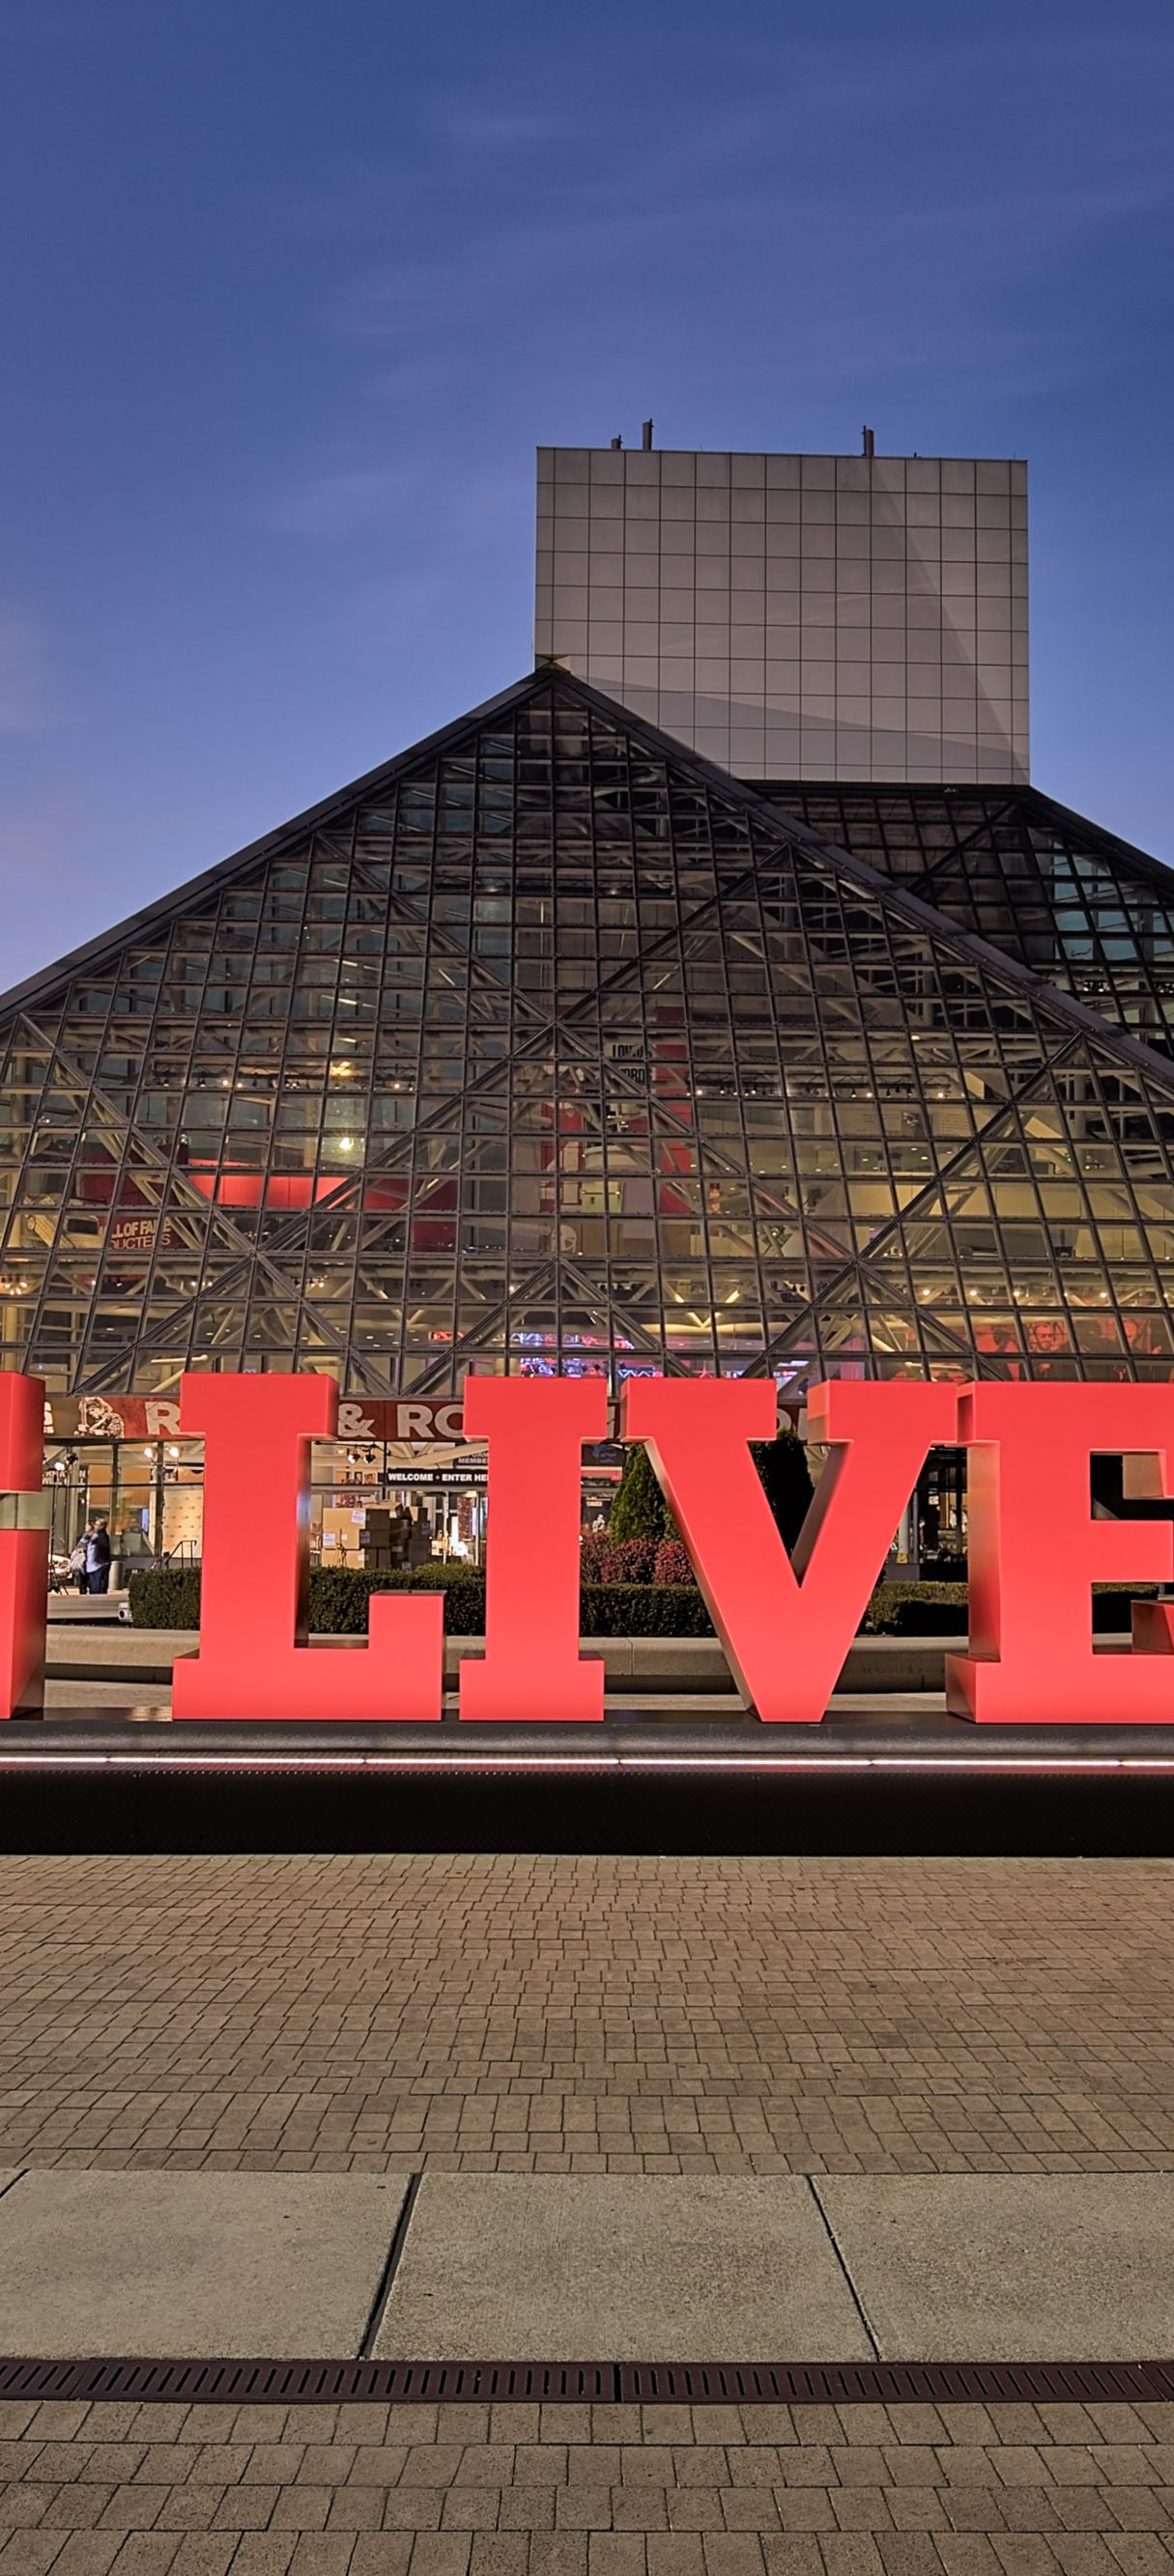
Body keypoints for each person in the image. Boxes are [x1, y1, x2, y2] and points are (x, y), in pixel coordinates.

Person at [84, 1514, 112, 1596]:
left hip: (99, 1564)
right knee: (94, 1586)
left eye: (97, 1525)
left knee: (96, 1586)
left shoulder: (102, 1536)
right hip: (92, 1564)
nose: (95, 1526)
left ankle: (97, 1595)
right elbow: (83, 1543)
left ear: (102, 1526)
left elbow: (103, 1548)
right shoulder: (93, 1535)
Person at [70, 1521, 92, 1594]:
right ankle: (83, 1589)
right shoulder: (85, 1535)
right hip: (83, 1559)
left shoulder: (91, 1536)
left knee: (84, 1577)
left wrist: (83, 1550)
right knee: (82, 1577)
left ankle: (83, 1590)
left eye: (87, 1526)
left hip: (86, 1559)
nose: (85, 1527)